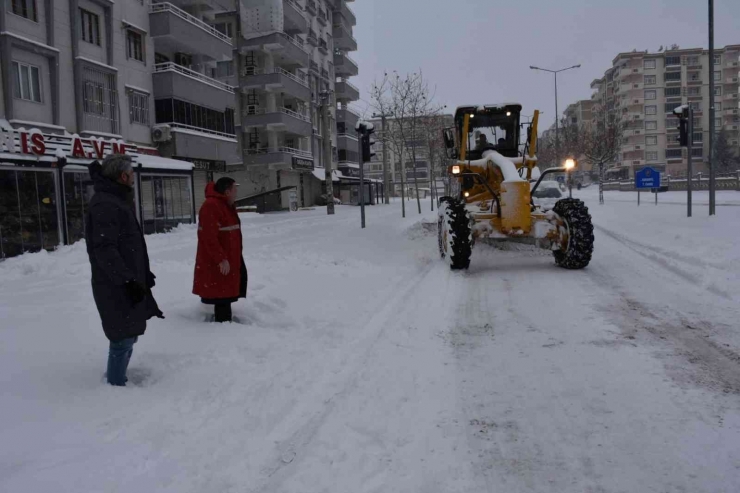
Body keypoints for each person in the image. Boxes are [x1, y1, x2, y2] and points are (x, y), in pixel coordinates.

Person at [85, 155, 164, 387]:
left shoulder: (116, 200)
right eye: (131, 174)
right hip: (115, 284)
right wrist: (128, 281)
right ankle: (116, 385)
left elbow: (127, 245)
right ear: (123, 176)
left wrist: (142, 274)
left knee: (128, 332)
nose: (133, 178)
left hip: (125, 279)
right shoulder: (106, 204)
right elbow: (105, 249)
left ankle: (120, 378)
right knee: (121, 336)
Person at [193, 178, 248, 323]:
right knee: (221, 294)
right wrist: (221, 259)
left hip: (229, 257)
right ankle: (222, 327)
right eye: (234, 189)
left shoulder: (224, 204)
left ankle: (224, 322)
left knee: (225, 293)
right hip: (219, 261)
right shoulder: (212, 206)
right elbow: (208, 237)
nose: (236, 193)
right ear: (227, 191)